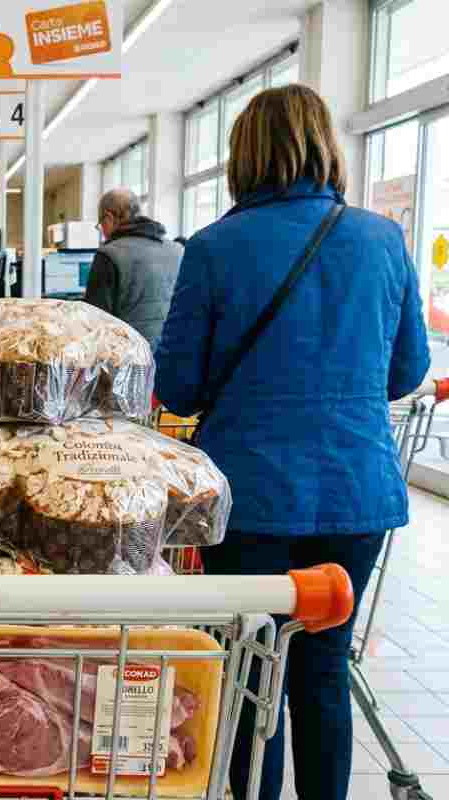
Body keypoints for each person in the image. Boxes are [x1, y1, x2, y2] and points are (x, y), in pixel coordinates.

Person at [155, 85, 430, 800]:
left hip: (249, 497)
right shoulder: (383, 240)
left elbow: (178, 387)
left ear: (242, 157)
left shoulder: (215, 247)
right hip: (358, 492)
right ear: (326, 145)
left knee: (253, 678)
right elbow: (408, 371)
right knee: (323, 671)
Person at [84, 188, 183, 348]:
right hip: (172, 354)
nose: (102, 231)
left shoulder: (109, 254)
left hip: (130, 360)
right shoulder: (177, 250)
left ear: (109, 217)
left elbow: (94, 323)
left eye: (100, 225)